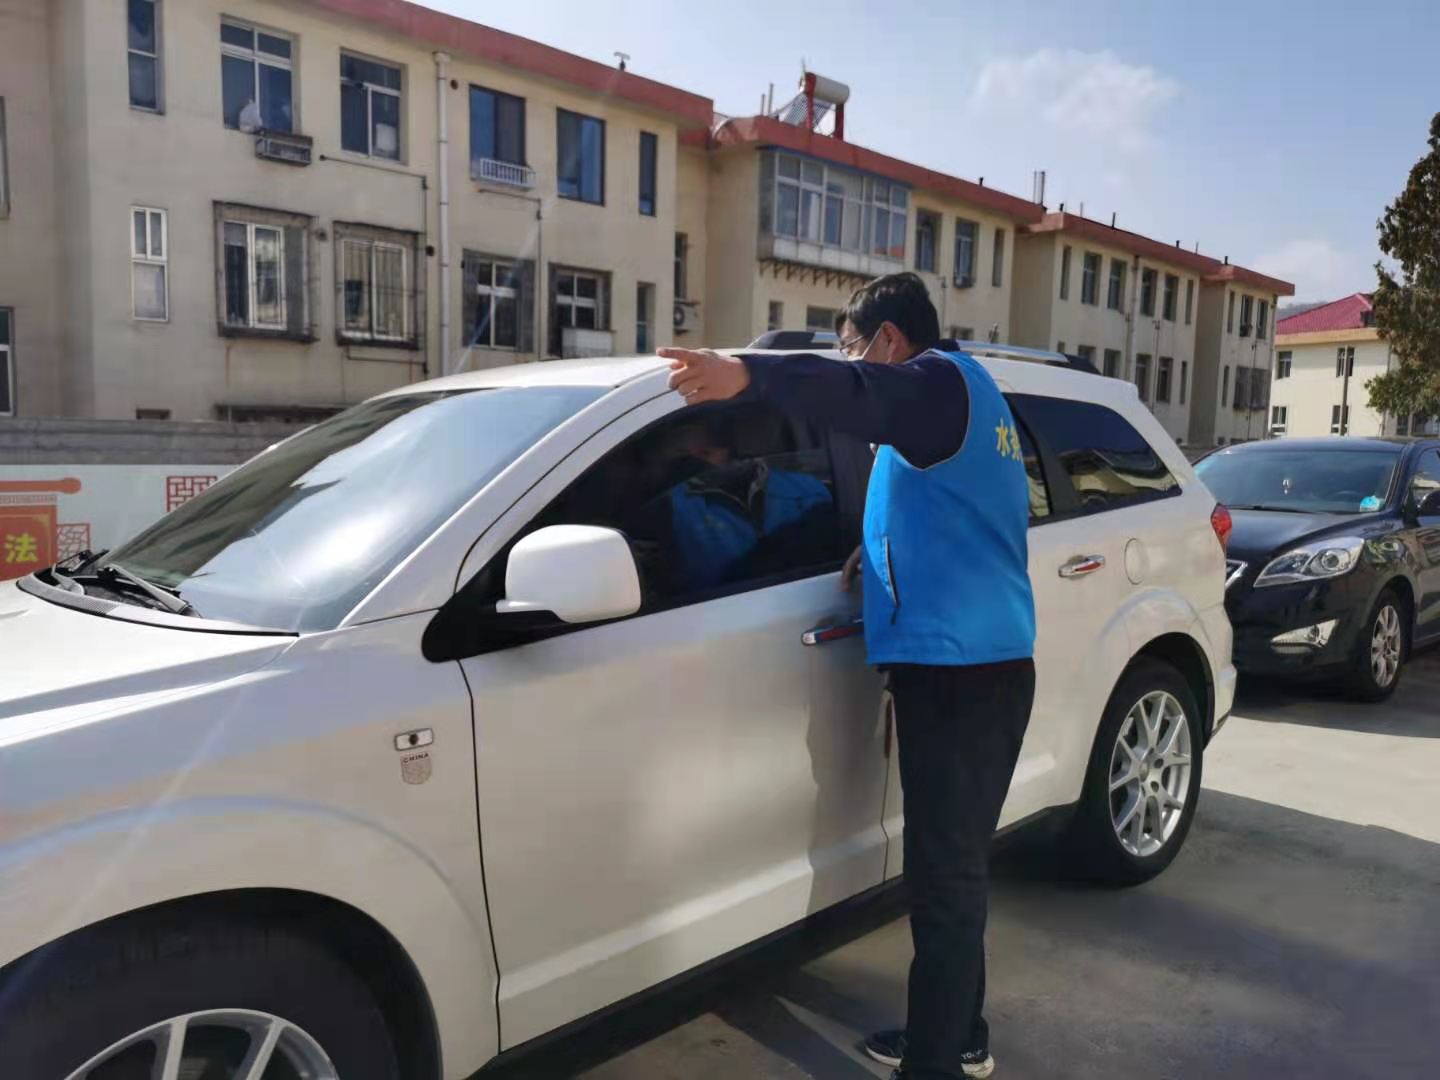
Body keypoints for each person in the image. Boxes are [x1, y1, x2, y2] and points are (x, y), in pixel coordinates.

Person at [658, 272, 1035, 1080]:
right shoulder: (966, 399)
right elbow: (961, 508)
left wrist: (747, 372)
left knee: (945, 877)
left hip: (962, 676)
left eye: (853, 346)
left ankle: (935, 1063)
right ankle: (957, 1035)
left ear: (891, 341)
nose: (849, 361)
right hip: (980, 665)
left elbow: (853, 392)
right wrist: (882, 548)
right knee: (956, 869)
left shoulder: (934, 384)